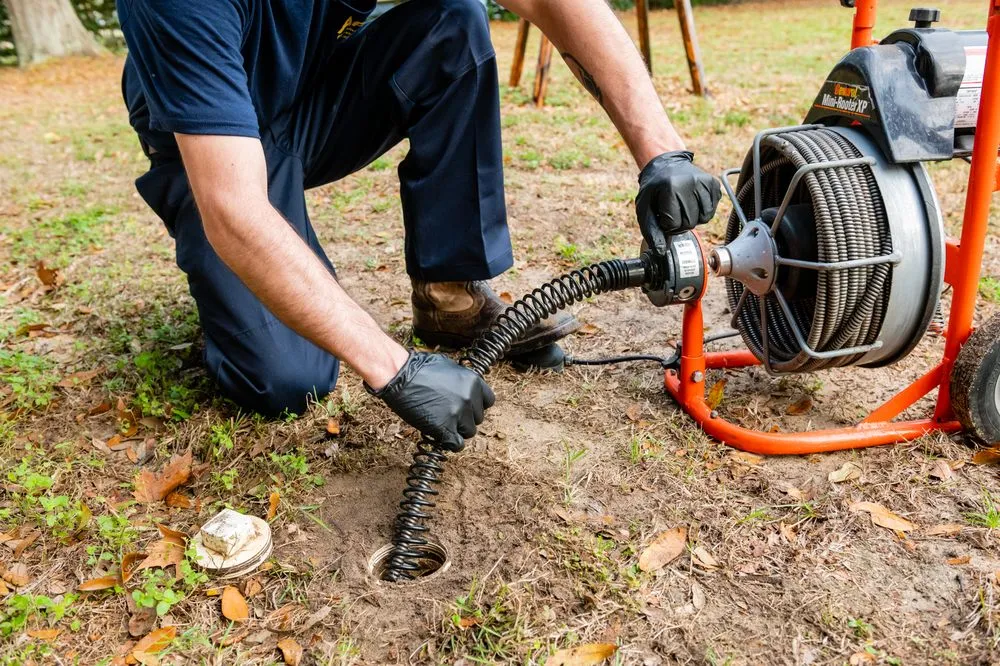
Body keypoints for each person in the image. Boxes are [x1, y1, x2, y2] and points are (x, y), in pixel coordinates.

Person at [116, 0, 721, 452]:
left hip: (311, 92)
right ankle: (239, 309)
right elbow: (235, 208)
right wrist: (393, 368)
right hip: (212, 144)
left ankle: (449, 297)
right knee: (286, 382)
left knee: (451, 25)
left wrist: (660, 151)